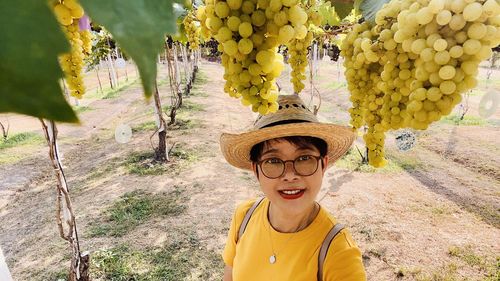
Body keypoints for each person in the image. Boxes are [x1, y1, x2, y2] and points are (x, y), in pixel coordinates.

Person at [219, 94, 366, 281]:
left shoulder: (339, 253)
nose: (290, 175)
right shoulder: (244, 217)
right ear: (256, 170)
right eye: (273, 160)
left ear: (324, 165)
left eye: (304, 158)